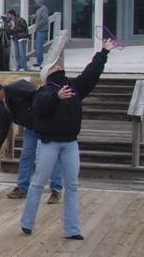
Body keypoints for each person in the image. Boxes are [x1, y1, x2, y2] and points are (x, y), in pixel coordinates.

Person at [20, 39, 116, 240]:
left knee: (72, 186)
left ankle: (72, 230)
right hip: (49, 143)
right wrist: (56, 97)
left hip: (71, 143)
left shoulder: (74, 87)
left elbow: (91, 74)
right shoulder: (43, 91)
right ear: (47, 75)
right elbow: (40, 106)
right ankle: (27, 223)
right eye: (54, 66)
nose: (59, 65)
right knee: (38, 183)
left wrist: (103, 53)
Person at [0, 78, 63, 204]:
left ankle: (56, 189)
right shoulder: (0, 107)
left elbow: (40, 95)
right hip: (30, 129)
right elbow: (3, 127)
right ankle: (22, 187)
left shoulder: (18, 87)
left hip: (43, 125)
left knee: (49, 156)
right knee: (26, 156)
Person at [30, 0, 49, 67]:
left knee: (39, 46)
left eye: (36, 1)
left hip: (42, 30)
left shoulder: (44, 8)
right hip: (38, 30)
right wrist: (35, 17)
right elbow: (40, 17)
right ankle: (39, 61)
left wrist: (38, 25)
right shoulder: (39, 9)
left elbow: (45, 19)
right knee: (37, 46)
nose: (35, 3)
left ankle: (40, 62)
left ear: (39, 1)